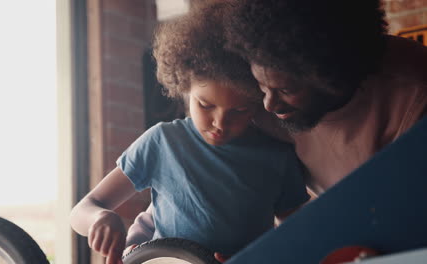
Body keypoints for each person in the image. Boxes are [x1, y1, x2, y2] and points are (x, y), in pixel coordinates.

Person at [126, 0, 427, 257]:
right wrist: (148, 241)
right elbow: (190, 181)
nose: (268, 105)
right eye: (260, 87)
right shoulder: (250, 104)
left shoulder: (412, 93)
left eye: (285, 90)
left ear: (331, 77)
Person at [70, 2, 310, 264]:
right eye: (205, 105)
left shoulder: (278, 157)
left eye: (240, 110)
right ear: (184, 87)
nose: (220, 123)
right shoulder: (162, 142)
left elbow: (296, 239)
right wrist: (100, 218)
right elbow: (83, 209)